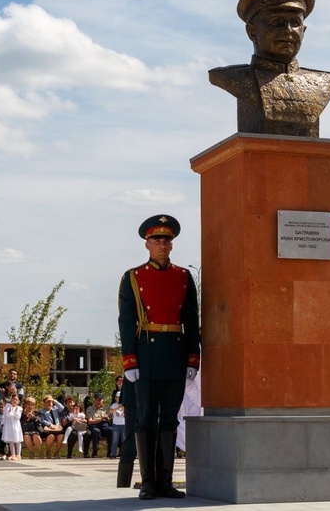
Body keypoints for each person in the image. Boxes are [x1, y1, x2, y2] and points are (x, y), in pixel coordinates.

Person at [118, 214, 201, 500]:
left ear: (172, 245)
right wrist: (129, 359)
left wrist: (193, 358)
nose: (162, 244)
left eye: (167, 240)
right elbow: (126, 321)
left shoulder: (183, 276)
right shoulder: (134, 276)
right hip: (147, 353)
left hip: (175, 352)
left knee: (169, 420)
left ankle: (165, 481)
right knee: (144, 420)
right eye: (157, 240)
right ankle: (147, 482)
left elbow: (191, 318)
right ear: (147, 244)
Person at [208, 0, 330, 137]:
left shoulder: (324, 82)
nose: (289, 30)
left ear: (304, 31)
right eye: (277, 22)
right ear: (252, 32)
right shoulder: (235, 78)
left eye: (296, 23)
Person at [2, 394, 24, 460]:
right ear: (11, 400)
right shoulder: (7, 406)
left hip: (16, 426)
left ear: (18, 401)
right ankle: (13, 454)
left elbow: (18, 417)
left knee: (18, 440)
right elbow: (6, 415)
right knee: (11, 440)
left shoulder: (19, 408)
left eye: (16, 400)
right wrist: (11, 412)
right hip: (9, 425)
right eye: (13, 399)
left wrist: (11, 412)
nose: (15, 401)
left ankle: (18, 454)